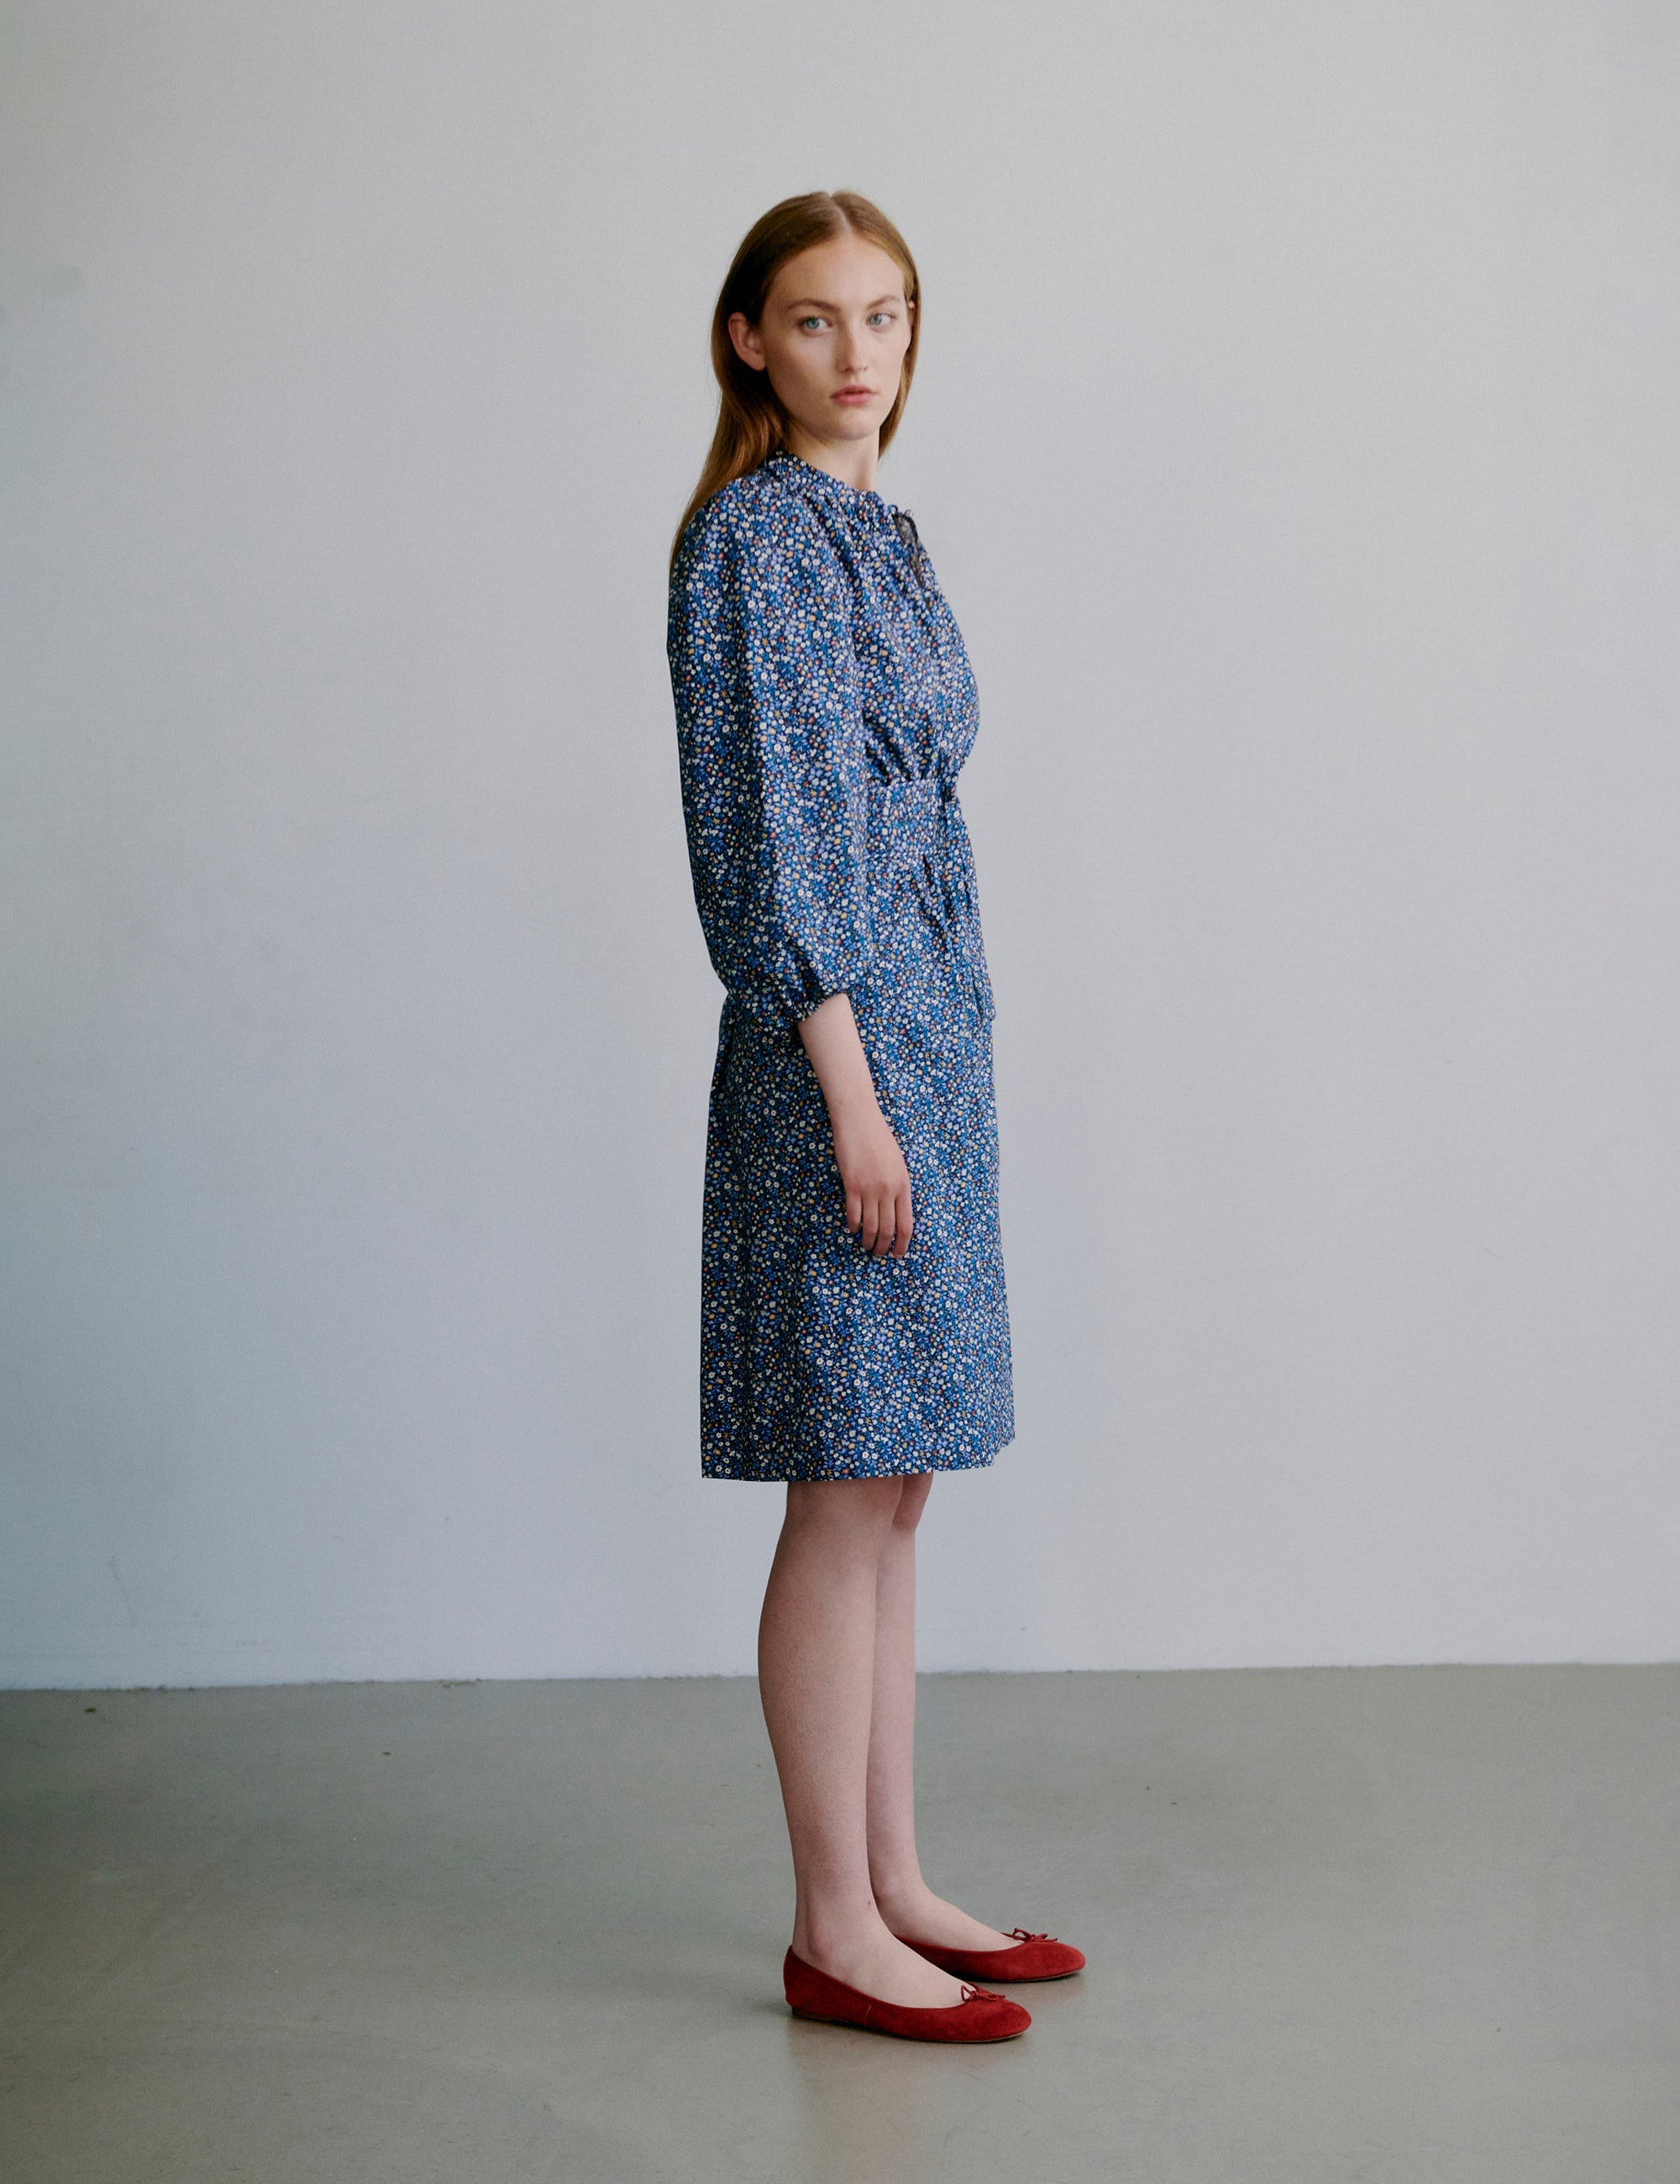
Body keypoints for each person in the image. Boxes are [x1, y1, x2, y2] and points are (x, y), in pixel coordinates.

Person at [666, 191, 1083, 2044]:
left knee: (894, 1482)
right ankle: (834, 1921)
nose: (861, 354)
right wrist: (850, 1090)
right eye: (818, 319)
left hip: (924, 1048)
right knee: (844, 1490)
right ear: (748, 338)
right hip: (837, 1055)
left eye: (889, 315)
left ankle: (898, 1875)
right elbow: (768, 841)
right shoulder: (757, 540)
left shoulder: (875, 532)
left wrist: (928, 1074)